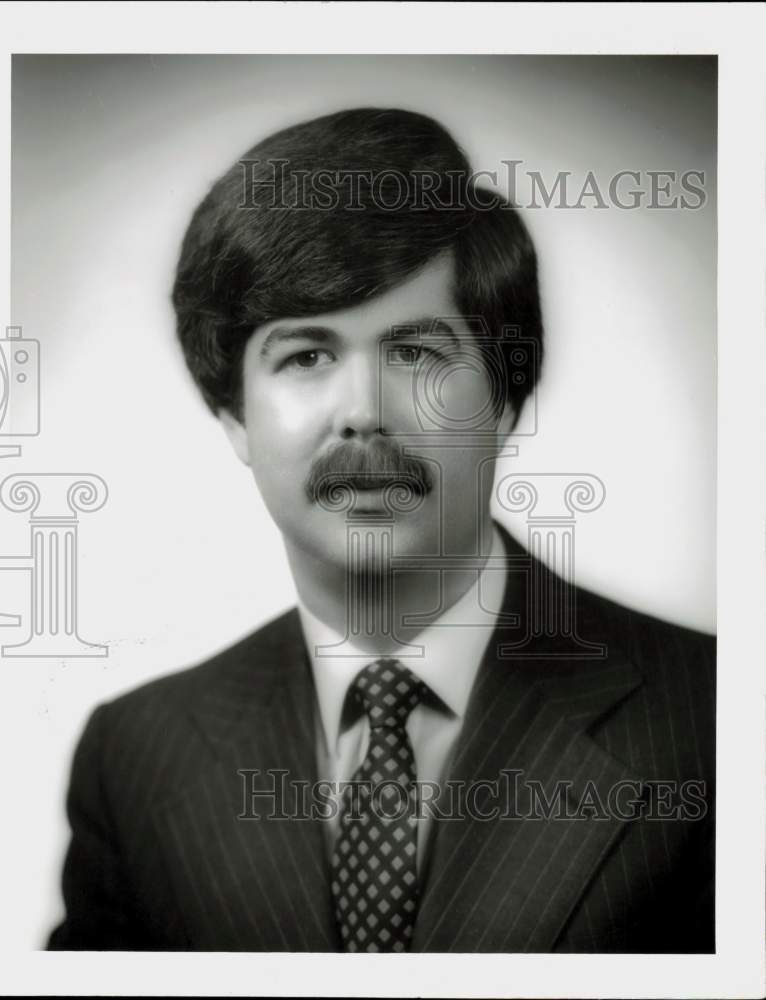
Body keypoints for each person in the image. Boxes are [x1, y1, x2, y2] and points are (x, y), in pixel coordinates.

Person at [47, 107, 715, 953]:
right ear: (235, 418)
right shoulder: (135, 759)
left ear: (505, 400)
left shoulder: (721, 724)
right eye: (306, 355)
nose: (363, 414)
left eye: (417, 353)